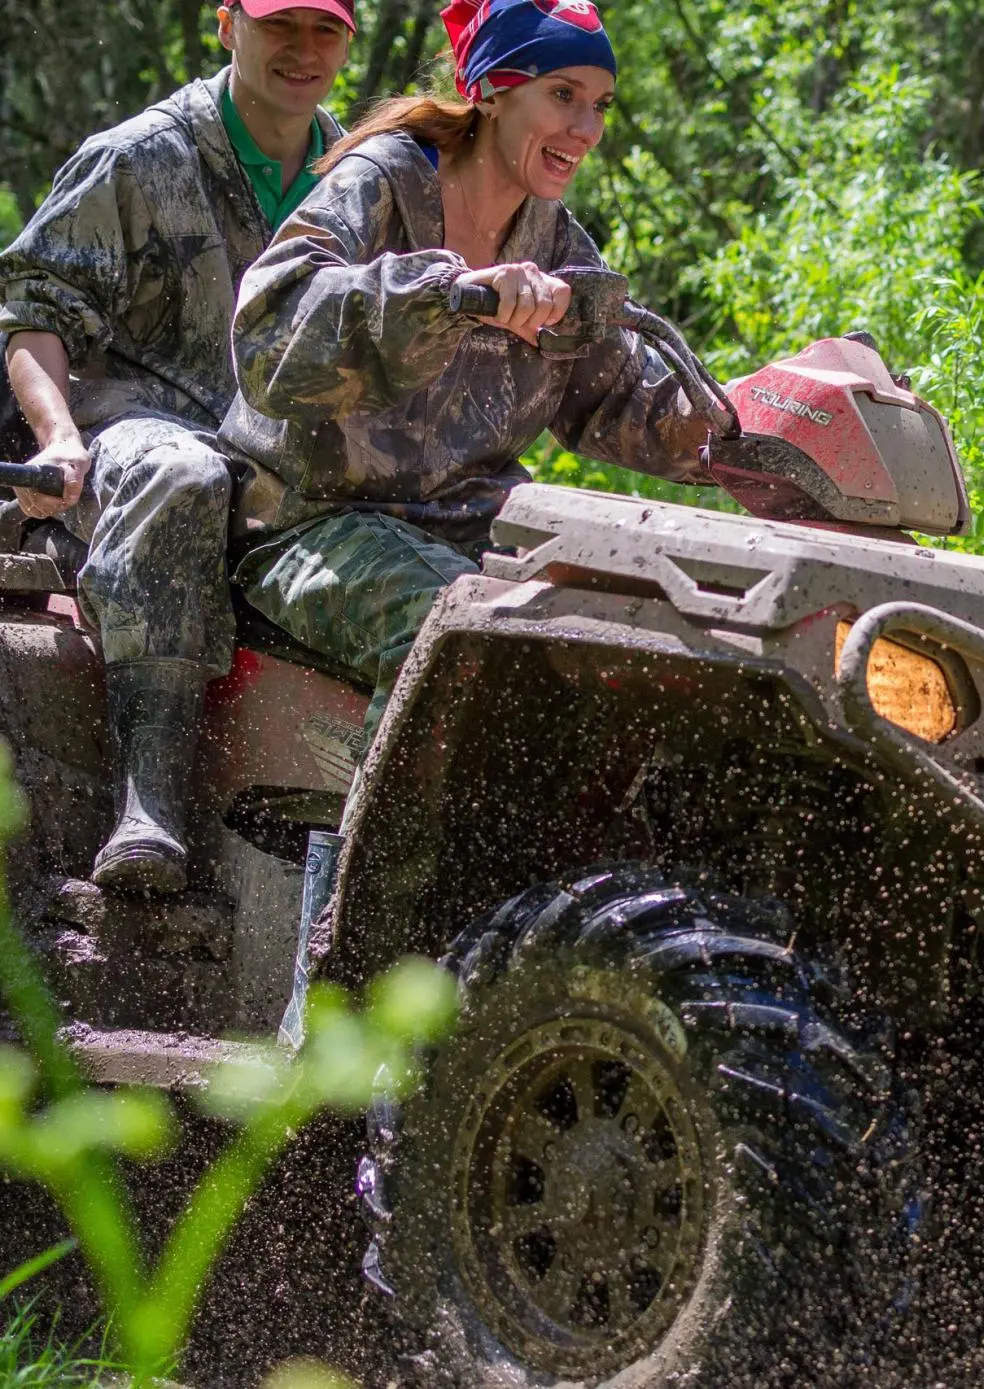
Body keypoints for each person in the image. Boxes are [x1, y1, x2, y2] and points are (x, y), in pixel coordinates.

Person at [221, 0, 711, 743]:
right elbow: (269, 329)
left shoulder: (556, 243)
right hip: (305, 523)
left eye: (599, 105)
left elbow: (623, 400)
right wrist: (444, 293)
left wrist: (744, 416)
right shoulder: (382, 180)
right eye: (562, 95)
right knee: (457, 629)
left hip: (471, 525)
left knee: (628, 618)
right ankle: (383, 860)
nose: (585, 129)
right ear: (489, 89)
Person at [1, 0, 356, 894]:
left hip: (283, 459)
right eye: (281, 25)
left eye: (326, 29)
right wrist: (60, 439)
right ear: (227, 25)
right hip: (132, 444)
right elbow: (32, 315)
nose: (303, 50)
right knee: (182, 472)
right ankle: (146, 804)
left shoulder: (361, 172)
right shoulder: (137, 157)